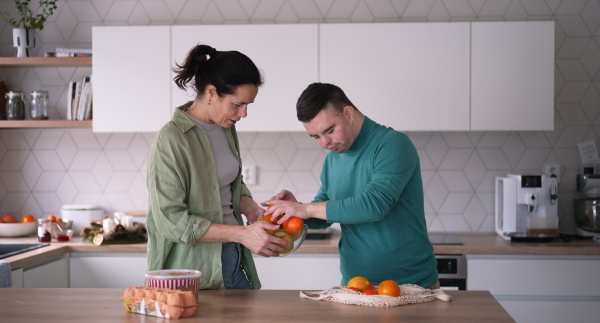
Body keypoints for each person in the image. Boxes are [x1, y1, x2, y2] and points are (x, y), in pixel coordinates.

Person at [263, 82, 439, 289]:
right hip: (354, 285)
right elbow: (324, 216)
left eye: (329, 130)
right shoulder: (333, 159)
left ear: (348, 113)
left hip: (411, 285)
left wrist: (305, 209)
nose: (325, 142)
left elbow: (375, 205)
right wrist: (296, 210)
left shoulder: (393, 144)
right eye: (316, 136)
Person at [146, 44, 289, 290]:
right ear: (212, 93)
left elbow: (228, 183)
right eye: (237, 104)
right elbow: (171, 221)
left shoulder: (225, 127)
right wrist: (242, 235)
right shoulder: (171, 139)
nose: (243, 113)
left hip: (233, 254)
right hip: (191, 268)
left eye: (248, 105)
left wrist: (252, 208)